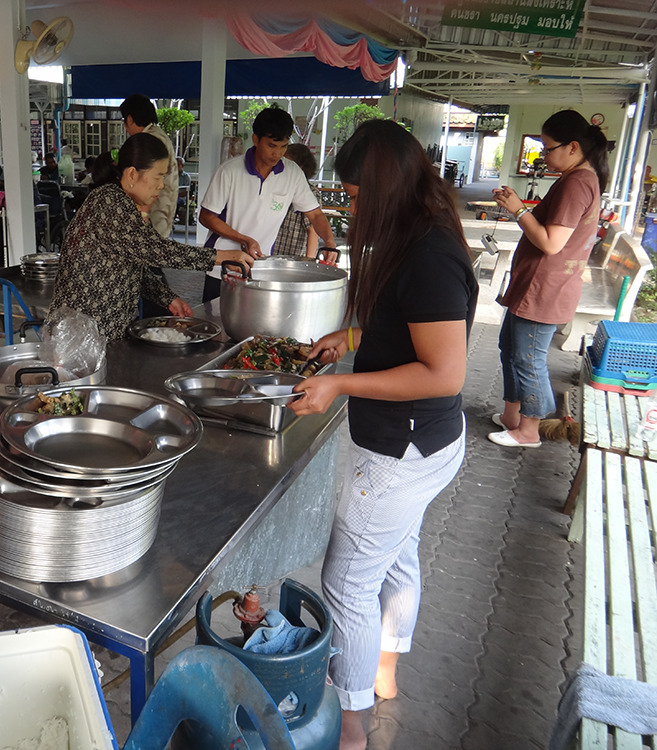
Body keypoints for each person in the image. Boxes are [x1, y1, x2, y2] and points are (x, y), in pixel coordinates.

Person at [289, 120, 478, 750]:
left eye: (355, 195)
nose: (350, 207)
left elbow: (442, 372)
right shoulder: (417, 232)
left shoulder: (429, 254)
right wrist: (348, 341)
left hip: (402, 450)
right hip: (422, 447)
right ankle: (384, 673)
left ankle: (351, 728)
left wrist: (340, 386)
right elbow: (405, 332)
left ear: (387, 188)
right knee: (397, 556)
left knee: (346, 584)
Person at [48, 133, 254, 340]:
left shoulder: (124, 206)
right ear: (131, 175)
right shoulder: (109, 201)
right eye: (158, 176)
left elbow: (133, 267)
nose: (161, 185)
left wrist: (168, 298)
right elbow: (156, 249)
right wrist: (221, 257)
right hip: (78, 337)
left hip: (101, 337)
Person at [489, 110, 606, 448]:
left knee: (527, 358)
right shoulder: (576, 179)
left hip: (545, 289)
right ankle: (513, 417)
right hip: (533, 285)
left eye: (548, 147)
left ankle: (529, 430)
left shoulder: (577, 183)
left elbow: (551, 243)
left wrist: (518, 210)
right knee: (510, 349)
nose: (544, 155)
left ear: (572, 147)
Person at [199, 106, 338, 302]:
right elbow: (206, 216)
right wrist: (243, 238)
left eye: (283, 147)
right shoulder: (229, 171)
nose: (277, 154)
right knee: (216, 324)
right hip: (221, 266)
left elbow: (315, 215)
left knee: (254, 329)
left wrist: (330, 243)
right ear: (256, 140)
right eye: (272, 146)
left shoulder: (293, 173)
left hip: (260, 268)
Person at [121, 94, 178, 238]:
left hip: (152, 211)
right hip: (160, 209)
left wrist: (143, 214)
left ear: (129, 119)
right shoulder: (157, 135)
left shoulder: (150, 140)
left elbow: (149, 180)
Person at [273, 143, 324, 258]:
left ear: (300, 167)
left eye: (286, 162)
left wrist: (308, 262)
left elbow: (313, 230)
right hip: (272, 254)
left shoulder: (309, 192)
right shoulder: (276, 186)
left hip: (294, 259)